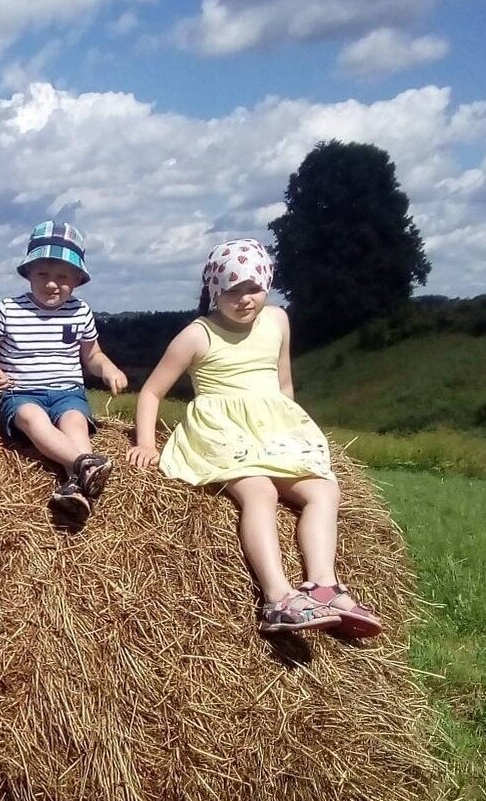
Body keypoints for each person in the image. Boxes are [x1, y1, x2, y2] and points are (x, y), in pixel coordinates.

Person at [127, 239, 383, 638]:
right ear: (215, 291)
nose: (245, 299)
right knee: (260, 491)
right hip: (223, 432)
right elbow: (151, 392)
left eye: (254, 288)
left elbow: (283, 382)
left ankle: (324, 587)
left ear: (268, 283)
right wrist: (146, 442)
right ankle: (277, 598)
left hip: (271, 428)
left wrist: (293, 430)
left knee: (324, 491)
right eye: (232, 290)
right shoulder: (198, 335)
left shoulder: (278, 320)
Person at [0, 220, 127, 527]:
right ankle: (83, 466)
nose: (52, 283)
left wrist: (108, 368)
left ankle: (75, 488)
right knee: (33, 419)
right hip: (22, 393)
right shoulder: (8, 310)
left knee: (75, 422)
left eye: (63, 276)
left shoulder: (80, 311)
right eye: (43, 273)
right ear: (28, 273)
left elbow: (91, 355)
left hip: (68, 392)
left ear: (78, 279)